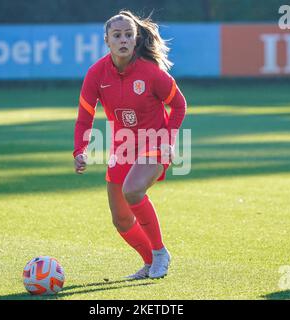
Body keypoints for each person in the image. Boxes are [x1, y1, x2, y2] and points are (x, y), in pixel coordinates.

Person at [73, 10, 187, 279]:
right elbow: (84, 117)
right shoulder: (96, 74)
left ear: (136, 41)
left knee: (133, 190)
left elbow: (179, 105)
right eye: (117, 35)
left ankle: (160, 252)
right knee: (121, 219)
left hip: (154, 144)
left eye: (128, 35)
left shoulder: (151, 73)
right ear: (107, 40)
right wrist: (80, 150)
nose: (123, 39)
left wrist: (168, 140)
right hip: (122, 148)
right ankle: (150, 262)